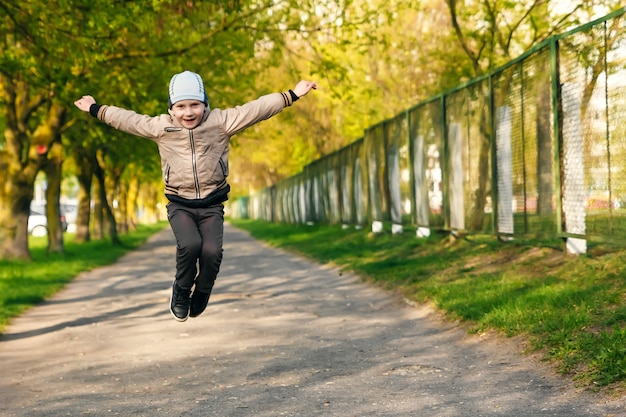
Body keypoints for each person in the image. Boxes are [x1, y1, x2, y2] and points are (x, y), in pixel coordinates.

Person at [74, 71, 317, 322]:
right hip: (180, 204)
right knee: (190, 245)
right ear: (171, 108)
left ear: (205, 104)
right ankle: (181, 291)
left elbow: (256, 109)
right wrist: (95, 108)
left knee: (212, 252)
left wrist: (292, 95)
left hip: (212, 204)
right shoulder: (161, 128)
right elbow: (127, 119)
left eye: (194, 105)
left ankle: (202, 290)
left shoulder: (222, 122)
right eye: (180, 106)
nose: (188, 113)